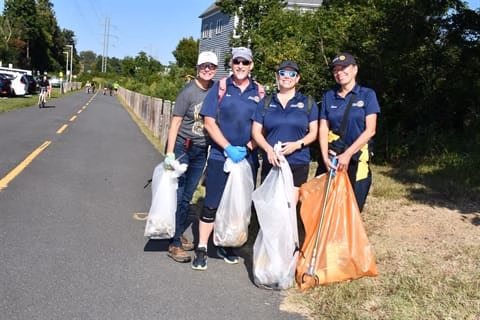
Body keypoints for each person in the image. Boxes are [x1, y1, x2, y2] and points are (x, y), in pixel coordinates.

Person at [192, 47, 263, 270]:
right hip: (219, 155)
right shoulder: (221, 88)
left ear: (251, 65)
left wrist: (248, 147)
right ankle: (202, 247)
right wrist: (228, 147)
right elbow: (209, 122)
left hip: (247, 159)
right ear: (231, 64)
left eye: (245, 62)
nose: (240, 66)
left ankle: (228, 244)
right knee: (212, 203)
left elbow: (263, 127)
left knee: (239, 205)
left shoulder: (259, 92)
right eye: (236, 62)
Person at [163, 51, 218, 263]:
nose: (207, 69)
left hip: (202, 150)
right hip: (183, 148)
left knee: (187, 196)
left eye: (211, 66)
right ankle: (174, 243)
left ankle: (176, 233)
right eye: (204, 65)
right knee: (178, 195)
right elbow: (175, 123)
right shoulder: (188, 92)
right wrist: (169, 154)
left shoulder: (215, 92)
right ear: (197, 67)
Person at [316, 52, 380, 212]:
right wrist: (325, 157)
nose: (339, 73)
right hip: (332, 158)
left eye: (344, 68)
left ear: (355, 69)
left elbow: (370, 130)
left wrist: (348, 154)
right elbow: (323, 127)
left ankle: (348, 237)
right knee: (326, 206)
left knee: (352, 208)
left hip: (356, 159)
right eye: (335, 70)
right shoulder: (328, 96)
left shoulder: (367, 95)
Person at [252, 60, 318, 206]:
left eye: (292, 73)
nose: (287, 77)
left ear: (297, 78)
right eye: (283, 73)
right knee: (270, 205)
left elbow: (314, 133)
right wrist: (268, 149)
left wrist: (297, 144)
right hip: (272, 161)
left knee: (289, 207)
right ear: (277, 76)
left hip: (298, 162)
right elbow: (256, 132)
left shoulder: (308, 102)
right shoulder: (266, 102)